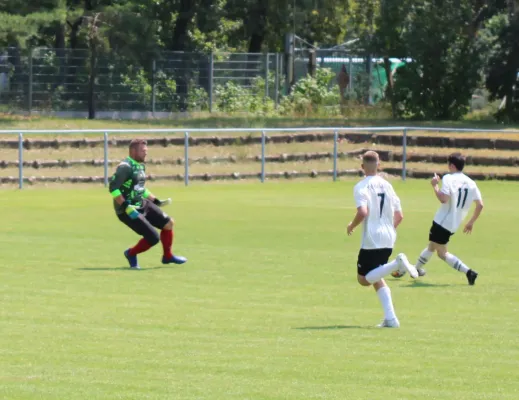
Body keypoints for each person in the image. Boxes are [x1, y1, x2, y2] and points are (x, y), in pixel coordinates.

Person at [347, 151, 418, 328]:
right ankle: (391, 319)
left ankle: (397, 264)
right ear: (379, 165)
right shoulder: (388, 186)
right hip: (389, 236)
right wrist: (388, 230)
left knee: (363, 279)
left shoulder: (361, 186)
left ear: (362, 167)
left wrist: (352, 225)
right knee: (377, 277)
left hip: (372, 238)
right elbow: (400, 215)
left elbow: (363, 212)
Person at [109, 138, 187, 269]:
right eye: (143, 151)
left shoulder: (140, 165)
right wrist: (125, 206)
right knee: (153, 238)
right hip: (127, 210)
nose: (146, 153)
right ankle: (131, 253)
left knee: (168, 223)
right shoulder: (125, 167)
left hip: (141, 203)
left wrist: (155, 200)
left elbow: (139, 187)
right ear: (133, 151)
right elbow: (113, 188)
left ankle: (167, 256)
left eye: (146, 151)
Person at [407, 152, 483, 285]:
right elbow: (480, 205)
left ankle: (469, 272)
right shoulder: (471, 183)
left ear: (452, 166)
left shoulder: (448, 178)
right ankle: (417, 269)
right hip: (454, 223)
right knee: (432, 246)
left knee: (441, 253)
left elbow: (443, 199)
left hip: (442, 221)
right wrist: (470, 222)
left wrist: (435, 185)